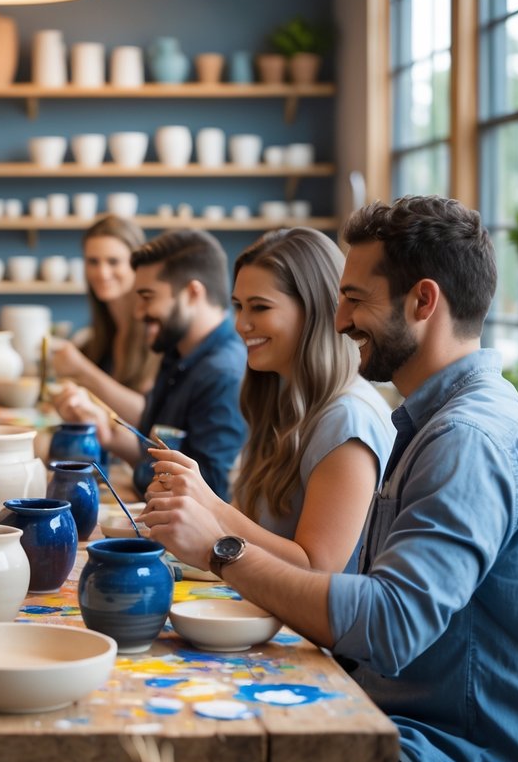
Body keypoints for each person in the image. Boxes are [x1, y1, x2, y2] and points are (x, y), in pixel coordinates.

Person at [144, 196, 518, 762]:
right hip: (388, 714)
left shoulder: (469, 439)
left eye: (354, 299)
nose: (341, 320)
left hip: (453, 749)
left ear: (423, 300)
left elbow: (388, 625)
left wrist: (222, 550)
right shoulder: (430, 421)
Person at [145, 228, 395, 573]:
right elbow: (251, 528)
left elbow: (317, 569)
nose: (242, 325)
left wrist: (210, 506)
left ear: (315, 312)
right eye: (238, 307)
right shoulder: (282, 398)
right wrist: (187, 510)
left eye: (259, 308)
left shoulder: (347, 419)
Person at [55, 228, 247, 500]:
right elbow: (154, 456)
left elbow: (207, 493)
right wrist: (106, 432)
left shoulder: (223, 374)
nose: (138, 312)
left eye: (147, 297)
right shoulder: (176, 353)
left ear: (192, 293)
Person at [52, 215, 158, 425]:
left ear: (137, 266)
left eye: (113, 261)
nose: (102, 272)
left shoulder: (155, 331)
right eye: (93, 261)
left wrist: (82, 370)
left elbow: (147, 415)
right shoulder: (101, 334)